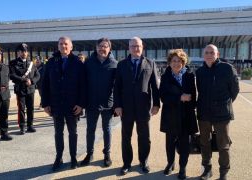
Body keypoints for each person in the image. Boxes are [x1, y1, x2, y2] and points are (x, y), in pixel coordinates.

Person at [114, 37, 160, 175]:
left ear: (142, 47)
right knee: (126, 137)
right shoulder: (121, 64)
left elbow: (155, 87)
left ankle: (143, 161)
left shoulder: (150, 63)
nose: (136, 48)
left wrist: (156, 104)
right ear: (129, 48)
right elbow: (117, 87)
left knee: (144, 136)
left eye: (138, 46)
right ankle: (126, 163)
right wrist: (117, 105)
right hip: (126, 107)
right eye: (133, 46)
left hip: (143, 107)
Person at [41, 36, 86, 171]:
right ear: (58, 46)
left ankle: (73, 157)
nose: (63, 46)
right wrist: (45, 103)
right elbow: (45, 84)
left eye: (66, 44)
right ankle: (59, 157)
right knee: (58, 132)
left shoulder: (78, 63)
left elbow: (83, 86)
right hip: (56, 105)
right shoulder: (50, 62)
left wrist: (81, 104)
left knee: (73, 133)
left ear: (71, 47)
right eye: (61, 44)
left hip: (73, 106)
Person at [196, 44, 239, 180]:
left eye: (212, 52)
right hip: (204, 114)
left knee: (223, 145)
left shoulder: (227, 68)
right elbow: (200, 91)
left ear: (217, 54)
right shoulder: (200, 71)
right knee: (204, 143)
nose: (209, 55)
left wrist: (225, 103)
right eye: (207, 52)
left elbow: (235, 90)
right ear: (204, 55)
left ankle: (223, 172)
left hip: (222, 114)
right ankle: (207, 169)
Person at [159, 49, 198, 179]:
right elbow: (163, 97)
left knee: (185, 144)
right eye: (174, 61)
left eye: (179, 61)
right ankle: (170, 163)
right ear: (170, 62)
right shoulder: (165, 77)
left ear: (183, 62)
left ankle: (182, 167)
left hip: (186, 115)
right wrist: (180, 98)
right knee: (169, 142)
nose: (176, 63)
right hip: (170, 115)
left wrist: (191, 106)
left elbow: (192, 95)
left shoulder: (189, 75)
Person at [80, 38, 117, 167]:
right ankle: (89, 154)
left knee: (107, 130)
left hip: (108, 104)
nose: (102, 48)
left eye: (105, 46)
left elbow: (118, 86)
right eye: (100, 46)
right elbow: (83, 84)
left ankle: (107, 154)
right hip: (92, 103)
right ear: (96, 47)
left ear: (109, 49)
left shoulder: (114, 64)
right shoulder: (88, 63)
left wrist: (117, 104)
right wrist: (82, 102)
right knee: (90, 129)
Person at [9, 43, 40, 134]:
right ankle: (22, 126)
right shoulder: (13, 63)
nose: (24, 53)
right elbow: (12, 75)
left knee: (30, 108)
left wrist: (32, 81)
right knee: (21, 109)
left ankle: (30, 125)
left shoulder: (31, 63)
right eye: (22, 51)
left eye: (25, 51)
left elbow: (37, 75)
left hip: (30, 89)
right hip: (20, 89)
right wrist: (24, 80)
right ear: (18, 52)